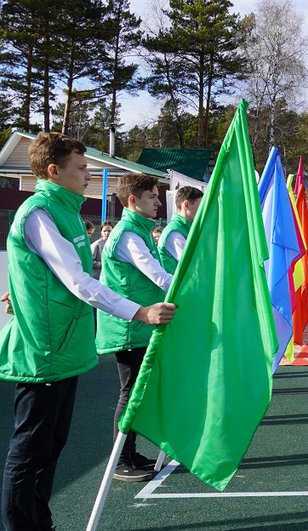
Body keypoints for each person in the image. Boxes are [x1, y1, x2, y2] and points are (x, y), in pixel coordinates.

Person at [0, 133, 174, 531]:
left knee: (50, 447)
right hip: (44, 350)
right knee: (30, 451)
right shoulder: (40, 212)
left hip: (63, 345)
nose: (87, 175)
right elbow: (78, 280)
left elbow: (45, 273)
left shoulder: (62, 211)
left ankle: (40, 523)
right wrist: (140, 312)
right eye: (81, 168)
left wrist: (21, 289)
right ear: (53, 171)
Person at [96, 173, 175, 482]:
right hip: (128, 327)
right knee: (129, 394)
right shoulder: (129, 235)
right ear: (133, 200)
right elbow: (158, 276)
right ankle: (118, 460)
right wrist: (198, 291)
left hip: (138, 325)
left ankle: (128, 452)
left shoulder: (139, 231)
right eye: (152, 197)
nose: (158, 202)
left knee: (137, 393)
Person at [157, 186, 204, 274]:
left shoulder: (186, 228)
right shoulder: (174, 233)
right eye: (201, 207)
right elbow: (195, 264)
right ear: (186, 205)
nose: (204, 211)